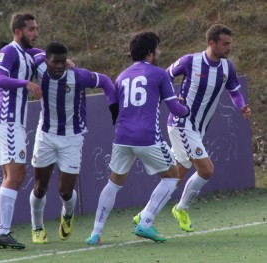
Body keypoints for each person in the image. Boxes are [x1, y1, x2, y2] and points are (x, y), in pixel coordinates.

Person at [86, 32, 190, 245]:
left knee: (113, 183)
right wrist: (187, 109)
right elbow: (176, 110)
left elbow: (132, 102)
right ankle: (146, 221)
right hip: (147, 137)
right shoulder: (160, 74)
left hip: (122, 137)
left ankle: (95, 233)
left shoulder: (122, 76)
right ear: (151, 53)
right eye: (157, 50)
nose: (159, 53)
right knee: (172, 176)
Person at [165, 24, 251, 232]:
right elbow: (165, 77)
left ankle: (145, 215)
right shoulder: (189, 61)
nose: (229, 48)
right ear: (211, 43)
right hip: (181, 123)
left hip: (198, 128)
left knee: (176, 175)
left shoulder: (227, 67)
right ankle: (181, 208)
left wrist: (242, 106)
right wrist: (171, 98)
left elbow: (234, 91)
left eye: (230, 43)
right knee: (206, 169)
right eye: (225, 44)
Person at [29, 41, 118, 244]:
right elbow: (27, 52)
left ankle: (67, 215)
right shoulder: (38, 67)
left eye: (62, 61)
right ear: (47, 61)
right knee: (40, 187)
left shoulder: (78, 76)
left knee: (65, 191)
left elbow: (105, 81)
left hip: (72, 137)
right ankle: (37, 227)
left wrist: (114, 108)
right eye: (55, 62)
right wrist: (41, 55)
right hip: (46, 136)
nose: (60, 65)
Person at [0, 12, 42, 249]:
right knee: (17, 175)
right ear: (18, 31)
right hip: (8, 121)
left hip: (12, 123)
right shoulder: (9, 51)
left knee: (10, 177)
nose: (35, 33)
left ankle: (2, 231)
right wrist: (26, 83)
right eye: (31, 29)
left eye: (36, 29)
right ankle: (2, 231)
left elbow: (40, 54)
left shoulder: (25, 53)